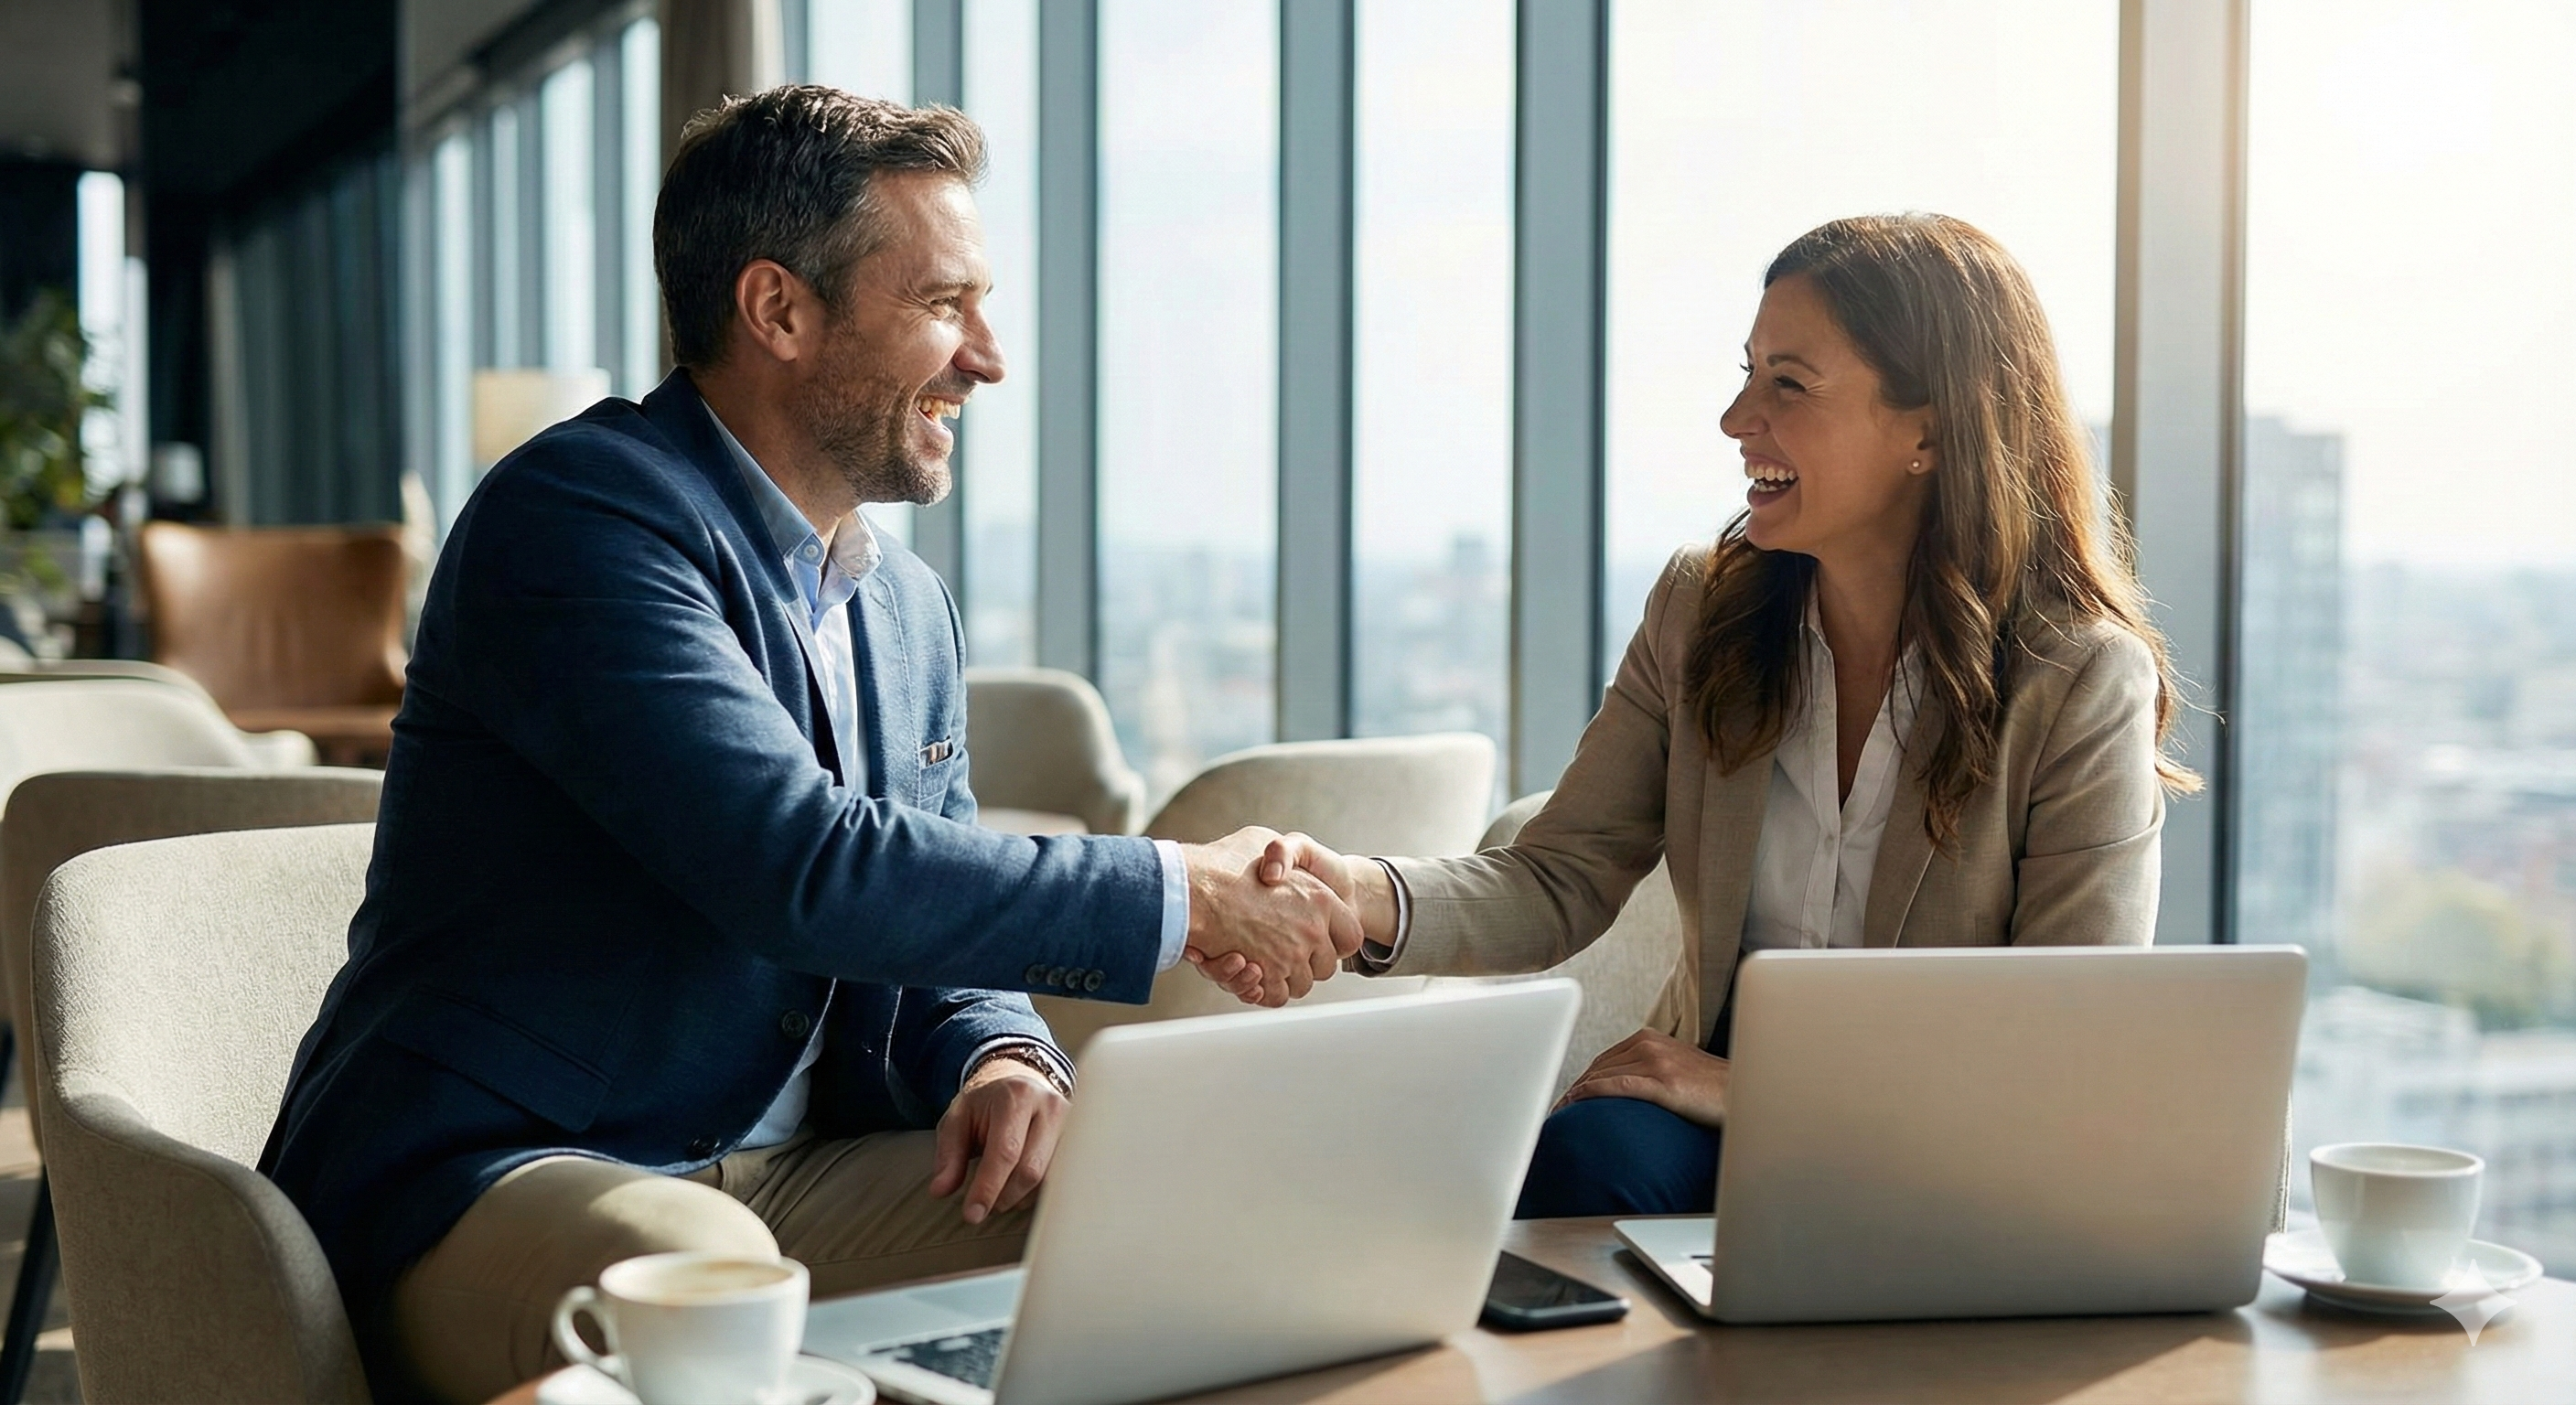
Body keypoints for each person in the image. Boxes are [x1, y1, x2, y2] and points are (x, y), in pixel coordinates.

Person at [259, 87, 1356, 1404]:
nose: (988, 358)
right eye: (945, 304)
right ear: (778, 310)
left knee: (1164, 1223)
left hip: (801, 1166)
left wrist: (1002, 1053)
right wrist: (1185, 893)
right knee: (707, 1279)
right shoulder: (578, 520)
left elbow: (942, 895)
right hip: (505, 1174)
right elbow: (801, 864)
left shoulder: (903, 604)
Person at [1261, 213, 2196, 1218]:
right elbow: (1555, 876)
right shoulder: (1700, 610)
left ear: (1926, 430)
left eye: (1787, 385)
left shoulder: (2078, 680)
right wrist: (1351, 891)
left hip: (1950, 1145)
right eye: (1747, 372)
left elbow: (2060, 1046)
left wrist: (1738, 1088)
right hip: (1708, 1130)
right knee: (1582, 1158)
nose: (1735, 417)